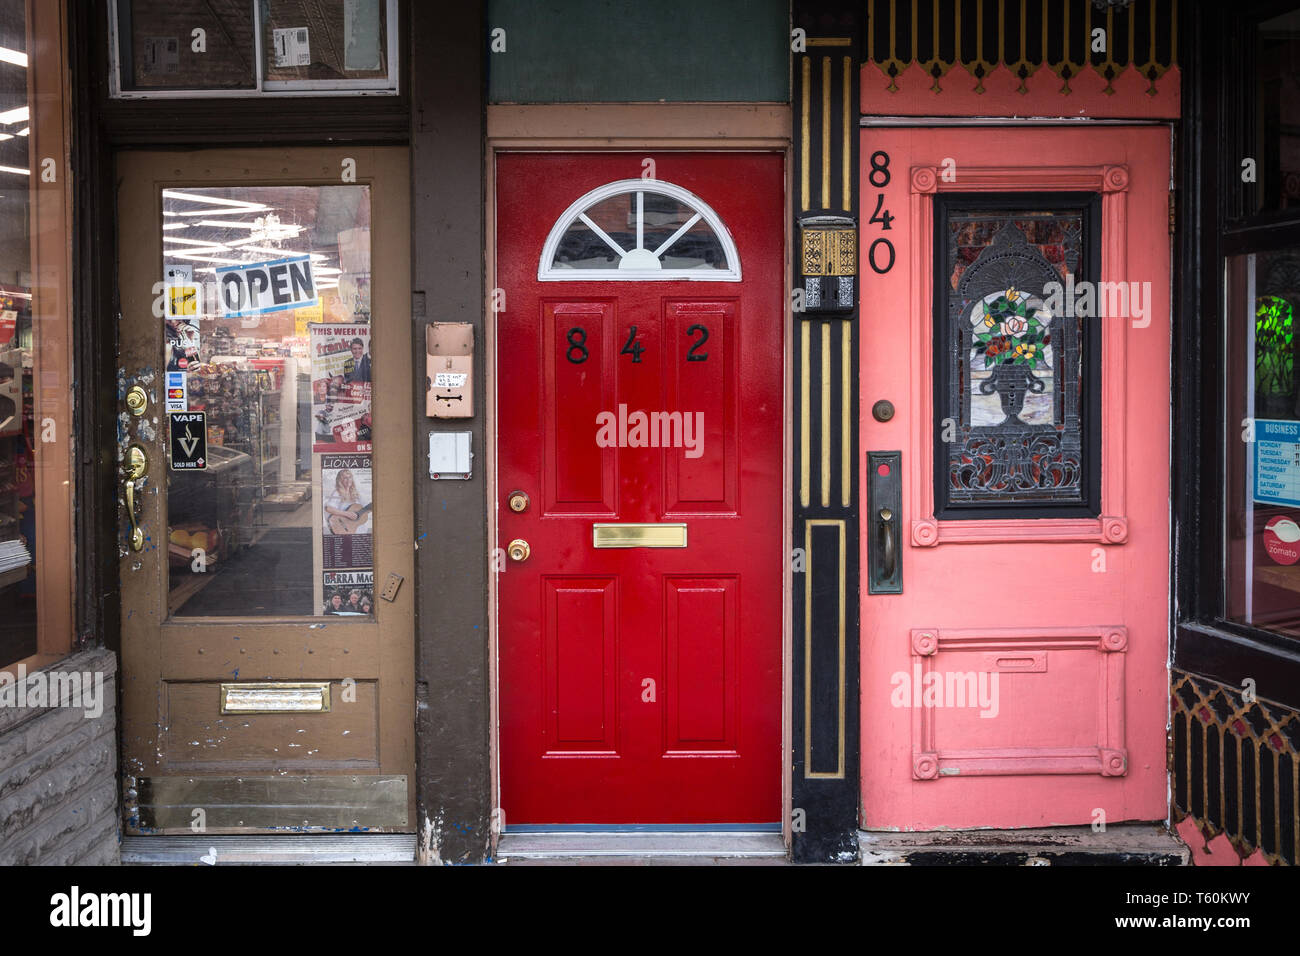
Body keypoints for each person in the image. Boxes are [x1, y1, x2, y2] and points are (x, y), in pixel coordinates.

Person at [323, 468, 369, 535]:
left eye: (350, 477)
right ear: (340, 480)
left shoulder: (356, 493)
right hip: (342, 527)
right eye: (345, 478)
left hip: (357, 529)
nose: (348, 480)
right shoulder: (337, 492)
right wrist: (347, 514)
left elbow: (367, 507)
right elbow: (328, 508)